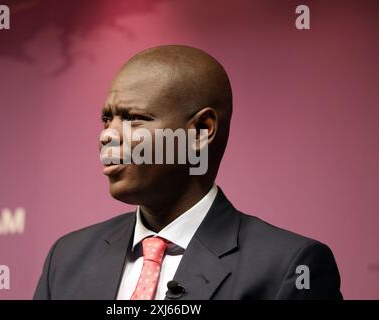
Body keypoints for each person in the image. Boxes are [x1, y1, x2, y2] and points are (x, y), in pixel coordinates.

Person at [34, 45, 342, 300]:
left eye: (133, 118)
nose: (108, 135)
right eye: (106, 119)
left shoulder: (290, 267)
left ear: (200, 131)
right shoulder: (67, 259)